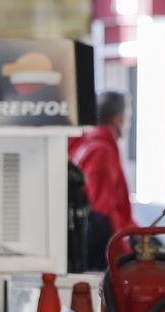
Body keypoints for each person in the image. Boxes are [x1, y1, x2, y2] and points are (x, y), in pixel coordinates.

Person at [70, 91, 134, 268]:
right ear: (118, 119)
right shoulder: (101, 151)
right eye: (128, 118)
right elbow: (102, 210)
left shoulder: (85, 144)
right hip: (100, 253)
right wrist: (124, 253)